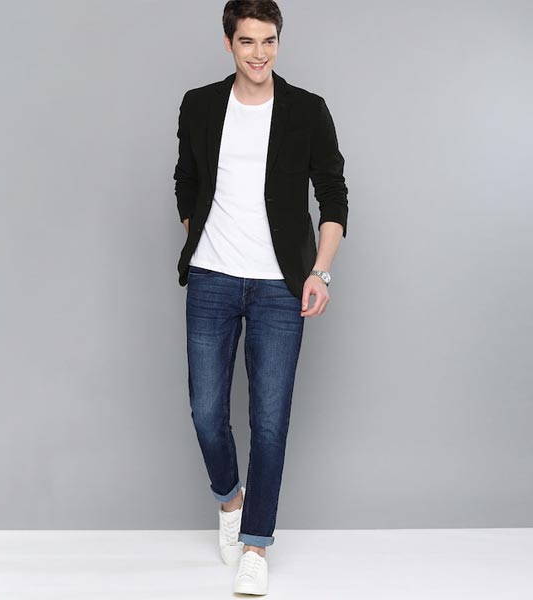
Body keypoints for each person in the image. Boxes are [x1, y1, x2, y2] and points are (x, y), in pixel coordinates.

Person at [173, 0, 348, 594]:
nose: (259, 53)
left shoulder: (307, 109)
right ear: (229, 43)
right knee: (206, 412)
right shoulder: (200, 104)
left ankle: (256, 544)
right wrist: (199, 230)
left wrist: (320, 272)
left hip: (279, 285)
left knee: (270, 421)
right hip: (212, 277)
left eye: (269, 41)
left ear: (278, 42)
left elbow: (334, 195)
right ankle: (231, 500)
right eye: (247, 41)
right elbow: (186, 179)